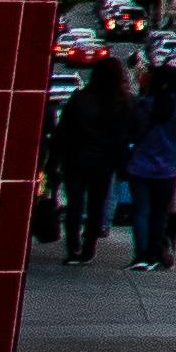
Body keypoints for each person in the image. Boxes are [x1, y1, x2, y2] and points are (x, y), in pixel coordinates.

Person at [120, 57, 176, 270]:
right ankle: (154, 255)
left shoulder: (142, 105)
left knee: (141, 211)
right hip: (166, 168)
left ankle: (140, 255)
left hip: (140, 165)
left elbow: (131, 132)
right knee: (159, 213)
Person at [50, 56, 130, 264]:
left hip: (75, 158)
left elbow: (63, 131)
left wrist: (54, 160)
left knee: (75, 204)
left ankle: (73, 246)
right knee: (96, 205)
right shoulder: (122, 103)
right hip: (104, 162)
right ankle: (88, 245)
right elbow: (124, 136)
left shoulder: (80, 98)